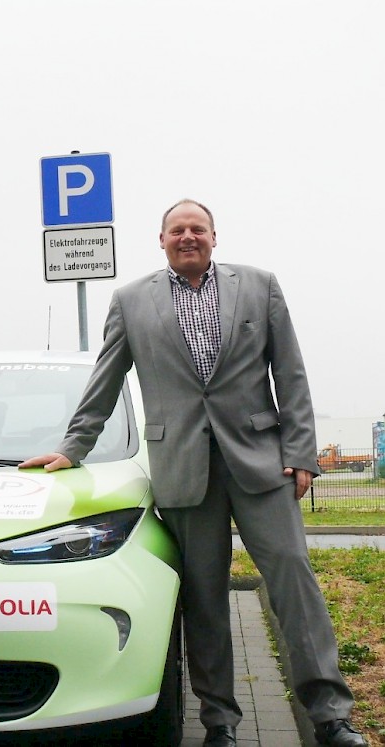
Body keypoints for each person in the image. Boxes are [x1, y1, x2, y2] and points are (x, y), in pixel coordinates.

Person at [19, 200, 366, 747]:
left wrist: (301, 452)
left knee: (294, 583)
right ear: (160, 240)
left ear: (213, 237)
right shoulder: (131, 301)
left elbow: (290, 373)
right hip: (182, 468)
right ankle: (220, 722)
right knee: (204, 599)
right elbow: (105, 380)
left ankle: (330, 716)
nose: (188, 237)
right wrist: (73, 447)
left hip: (263, 463)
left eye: (197, 229)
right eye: (177, 230)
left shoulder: (259, 286)